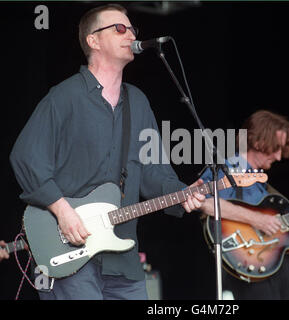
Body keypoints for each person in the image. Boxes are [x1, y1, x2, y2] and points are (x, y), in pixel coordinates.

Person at [9, 3, 205, 300]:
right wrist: (63, 211)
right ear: (94, 40)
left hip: (123, 258)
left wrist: (183, 193)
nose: (130, 34)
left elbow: (154, 173)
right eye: (119, 28)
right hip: (70, 253)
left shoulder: (137, 102)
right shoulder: (64, 97)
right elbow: (25, 157)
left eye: (131, 29)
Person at [199, 110, 289, 299]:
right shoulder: (227, 169)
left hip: (278, 265)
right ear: (258, 141)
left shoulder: (263, 185)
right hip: (248, 264)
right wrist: (258, 219)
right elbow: (204, 202)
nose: (279, 156)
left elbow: (283, 239)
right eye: (276, 148)